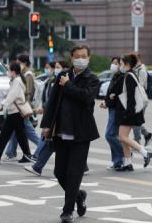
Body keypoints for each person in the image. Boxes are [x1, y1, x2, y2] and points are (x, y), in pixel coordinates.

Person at [40, 45, 100, 223]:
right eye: (77, 56)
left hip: (81, 133)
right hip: (61, 131)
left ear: (88, 58)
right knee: (59, 172)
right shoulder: (62, 75)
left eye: (84, 56)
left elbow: (86, 97)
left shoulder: (92, 79)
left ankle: (67, 211)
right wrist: (46, 125)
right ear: (72, 58)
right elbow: (52, 102)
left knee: (74, 174)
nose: (81, 59)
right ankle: (79, 196)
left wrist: (68, 85)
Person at [25, 61, 70, 176]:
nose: (55, 69)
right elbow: (49, 99)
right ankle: (37, 166)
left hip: (60, 118)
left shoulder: (66, 82)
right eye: (54, 67)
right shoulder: (52, 80)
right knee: (51, 142)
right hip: (53, 116)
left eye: (58, 67)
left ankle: (37, 164)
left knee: (54, 142)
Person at [116, 53, 152, 171]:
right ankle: (127, 163)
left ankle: (145, 153)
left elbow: (131, 98)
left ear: (127, 64)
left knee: (122, 137)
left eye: (121, 64)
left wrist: (128, 113)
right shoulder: (131, 75)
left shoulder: (129, 76)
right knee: (125, 138)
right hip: (131, 111)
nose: (119, 66)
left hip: (130, 112)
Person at [0, 62, 34, 166]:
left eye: (9, 70)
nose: (8, 72)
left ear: (13, 71)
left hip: (15, 113)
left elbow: (11, 97)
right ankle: (27, 155)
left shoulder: (17, 81)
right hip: (15, 113)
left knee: (5, 136)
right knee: (19, 135)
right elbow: (10, 95)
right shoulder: (16, 81)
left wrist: (1, 106)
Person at [5, 54, 41, 163]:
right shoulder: (22, 73)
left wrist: (25, 108)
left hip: (23, 108)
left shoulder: (28, 74)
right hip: (19, 108)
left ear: (24, 63)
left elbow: (28, 93)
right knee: (16, 131)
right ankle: (10, 153)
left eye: (18, 62)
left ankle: (43, 148)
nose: (17, 64)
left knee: (29, 132)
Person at [99, 57, 125, 171]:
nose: (113, 65)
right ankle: (117, 161)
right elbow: (110, 93)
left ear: (121, 65)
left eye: (116, 63)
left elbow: (117, 95)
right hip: (112, 108)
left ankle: (123, 155)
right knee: (113, 135)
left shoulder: (122, 77)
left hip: (117, 110)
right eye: (112, 63)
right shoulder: (115, 76)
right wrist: (106, 101)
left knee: (109, 135)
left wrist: (109, 101)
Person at [132, 53, 152, 147]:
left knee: (135, 121)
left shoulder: (142, 70)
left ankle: (137, 142)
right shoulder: (135, 69)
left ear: (137, 59)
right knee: (135, 121)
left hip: (141, 99)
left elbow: (139, 86)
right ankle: (147, 135)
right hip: (136, 98)